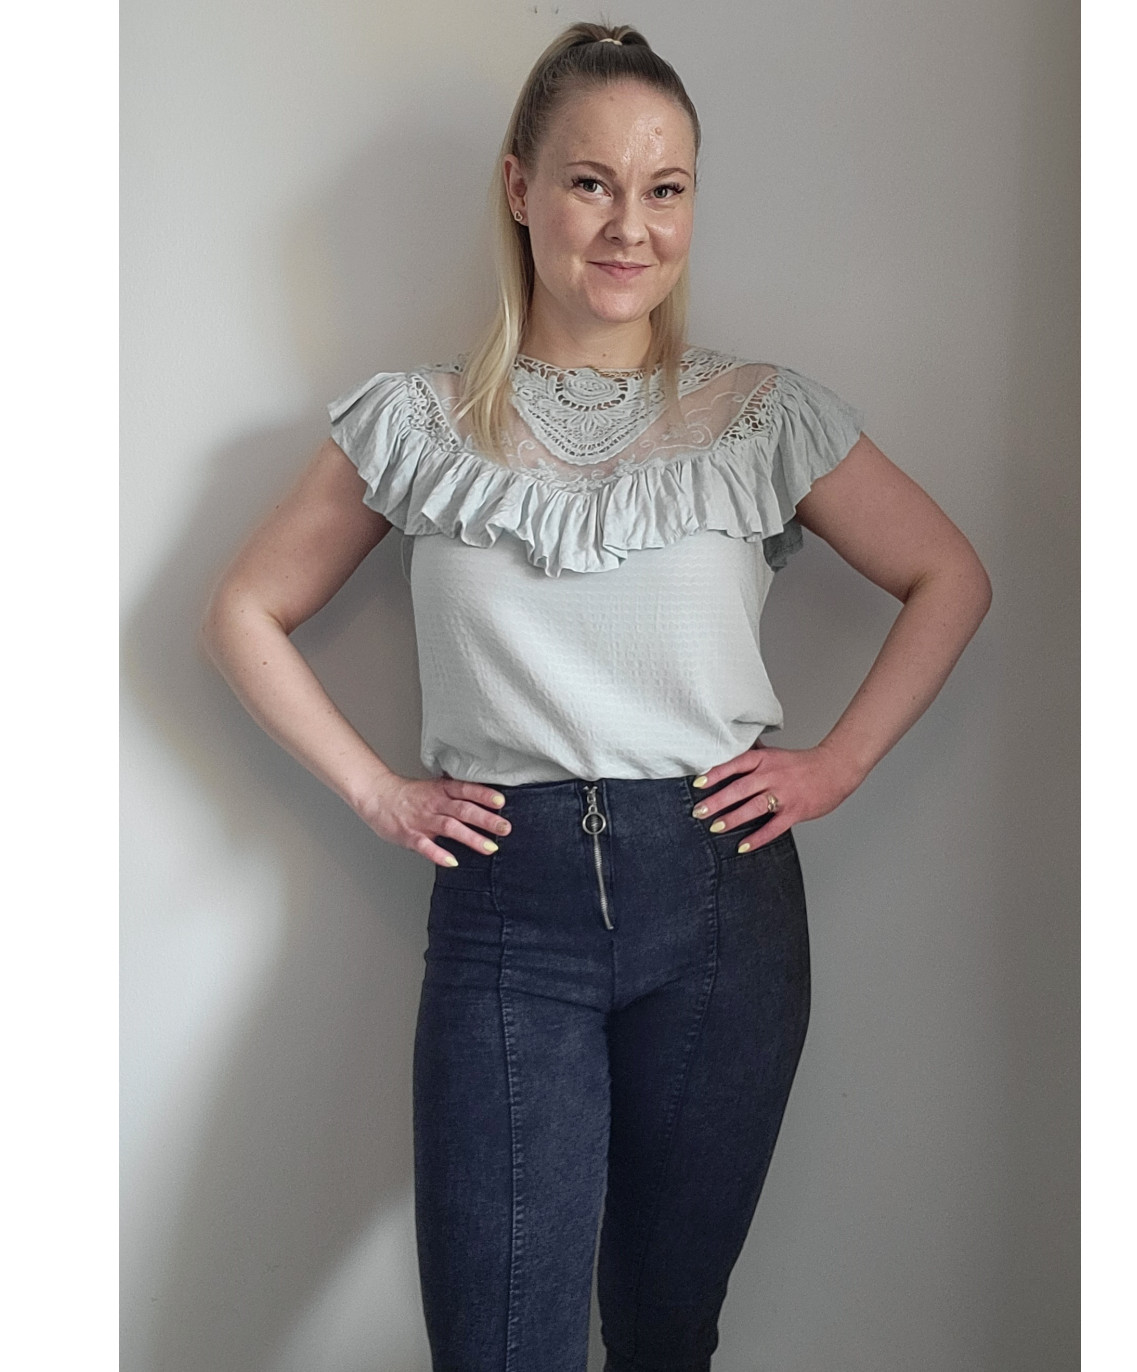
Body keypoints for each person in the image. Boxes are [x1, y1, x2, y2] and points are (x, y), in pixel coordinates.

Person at [203, 20, 992, 1372]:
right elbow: (244, 610)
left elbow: (949, 576)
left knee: (666, 1335)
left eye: (665, 188)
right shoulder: (419, 422)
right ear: (521, 188)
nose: (632, 226)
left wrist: (837, 764)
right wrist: (379, 793)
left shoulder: (761, 414)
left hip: (723, 905)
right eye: (591, 182)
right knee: (499, 1347)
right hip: (508, 915)